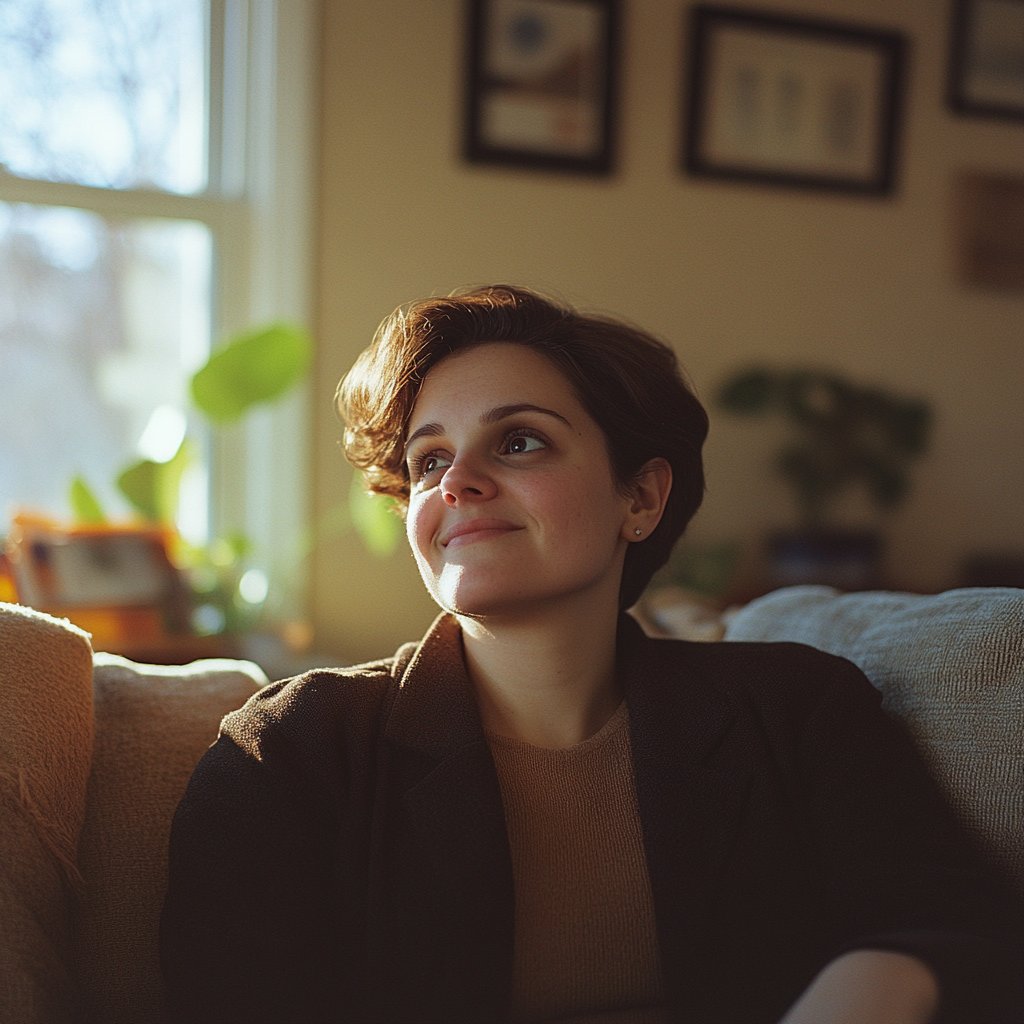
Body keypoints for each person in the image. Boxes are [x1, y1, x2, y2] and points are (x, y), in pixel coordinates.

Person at [160, 285, 1021, 1024]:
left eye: (519, 441)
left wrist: (870, 978)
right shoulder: (289, 752)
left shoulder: (797, 709)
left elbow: (953, 924)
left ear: (640, 498)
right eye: (429, 460)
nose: (455, 482)